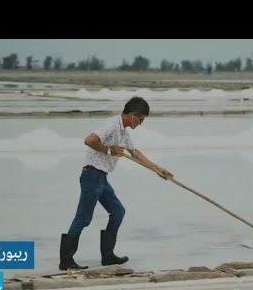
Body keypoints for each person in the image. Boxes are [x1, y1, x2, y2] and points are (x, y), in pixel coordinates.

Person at [59, 96, 173, 270]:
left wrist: (157, 169)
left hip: (101, 177)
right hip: (92, 175)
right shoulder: (112, 125)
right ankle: (66, 261)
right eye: (141, 119)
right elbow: (89, 140)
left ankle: (108, 256)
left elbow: (134, 153)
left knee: (118, 211)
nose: (141, 124)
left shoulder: (123, 132)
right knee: (83, 218)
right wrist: (109, 149)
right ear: (133, 115)